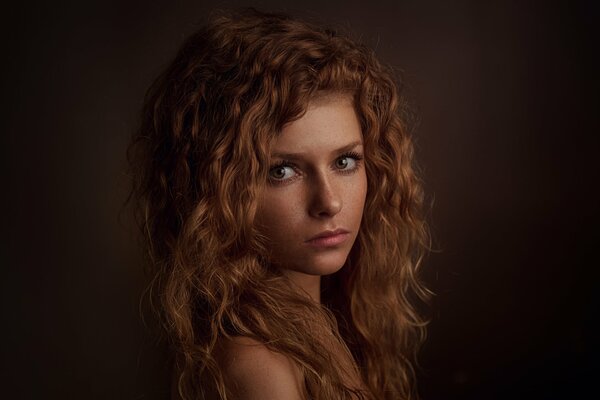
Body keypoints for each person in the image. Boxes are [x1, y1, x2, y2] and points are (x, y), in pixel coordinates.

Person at [127, 8, 430, 400]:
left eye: (344, 162)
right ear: (219, 190)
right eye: (283, 171)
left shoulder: (325, 324)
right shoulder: (258, 366)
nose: (329, 202)